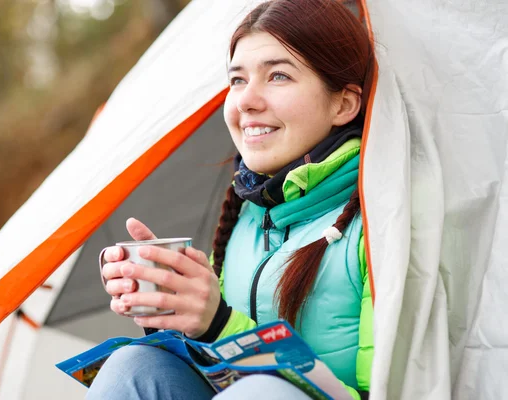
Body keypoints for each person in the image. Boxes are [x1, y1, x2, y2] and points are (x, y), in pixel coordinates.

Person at [88, 0, 374, 399]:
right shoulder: (249, 215)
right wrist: (173, 308)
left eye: (277, 75)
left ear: (343, 103)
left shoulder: (381, 221)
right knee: (133, 367)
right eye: (238, 80)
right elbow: (222, 372)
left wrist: (220, 323)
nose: (245, 101)